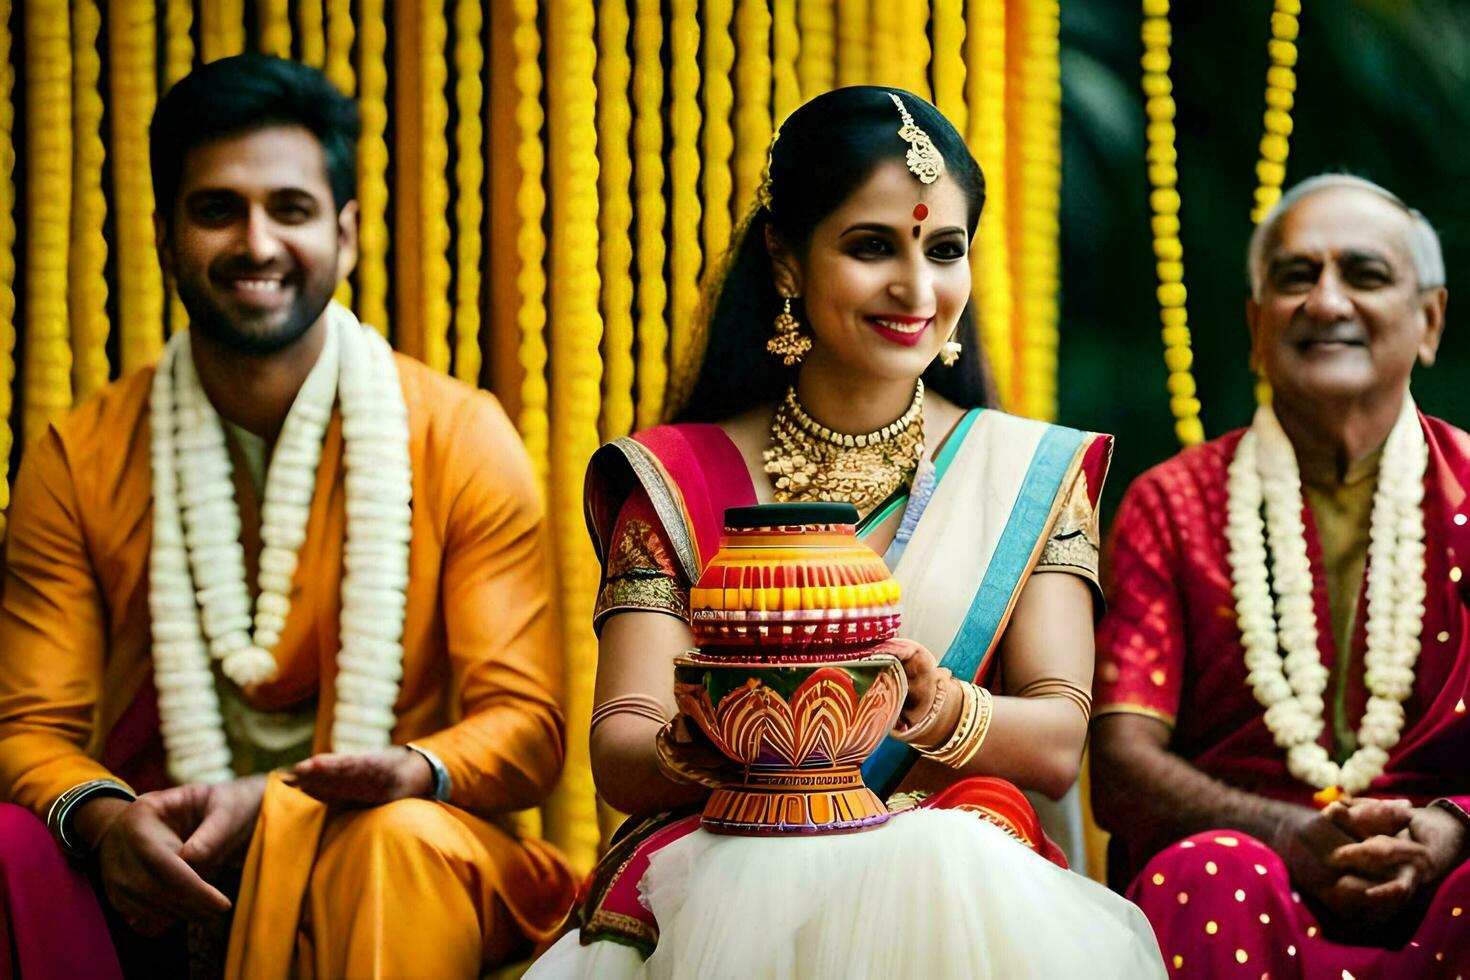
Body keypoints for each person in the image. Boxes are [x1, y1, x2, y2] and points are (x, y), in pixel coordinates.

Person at [529, 86, 1163, 978]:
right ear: (786, 262)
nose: (916, 287)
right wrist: (735, 732)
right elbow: (623, 747)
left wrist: (930, 705)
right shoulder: (669, 478)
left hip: (955, 865)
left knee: (937, 861)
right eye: (872, 247)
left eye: (945, 250)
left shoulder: (1028, 475)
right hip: (716, 871)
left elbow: (1059, 741)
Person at [0, 55, 575, 978]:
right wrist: (105, 821)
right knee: (11, 848)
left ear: (347, 234)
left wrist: (407, 771)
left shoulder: (459, 436)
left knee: (389, 844)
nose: (256, 243)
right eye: (217, 209)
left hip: (399, 857)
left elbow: (526, 727)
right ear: (164, 233)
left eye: (291, 210)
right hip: (169, 866)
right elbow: (31, 724)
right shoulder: (81, 456)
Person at [1091, 174, 1470, 975]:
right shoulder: (1172, 502)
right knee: (1210, 874)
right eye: (1297, 278)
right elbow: (1121, 765)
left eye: (1364, 276)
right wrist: (1283, 835)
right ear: (1258, 327)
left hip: (1451, 877)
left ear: (1429, 321)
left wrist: (1452, 829)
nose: (1326, 303)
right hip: (1245, 882)